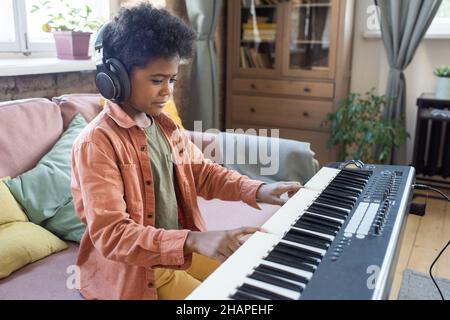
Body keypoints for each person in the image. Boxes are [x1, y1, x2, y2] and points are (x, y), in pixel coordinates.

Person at [71, 3, 302, 300]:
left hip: (175, 251)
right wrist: (194, 240)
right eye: (157, 80)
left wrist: (258, 189)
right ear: (116, 77)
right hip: (140, 274)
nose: (167, 91)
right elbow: (112, 235)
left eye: (172, 80)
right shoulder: (96, 144)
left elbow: (202, 173)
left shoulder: (165, 126)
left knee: (255, 277)